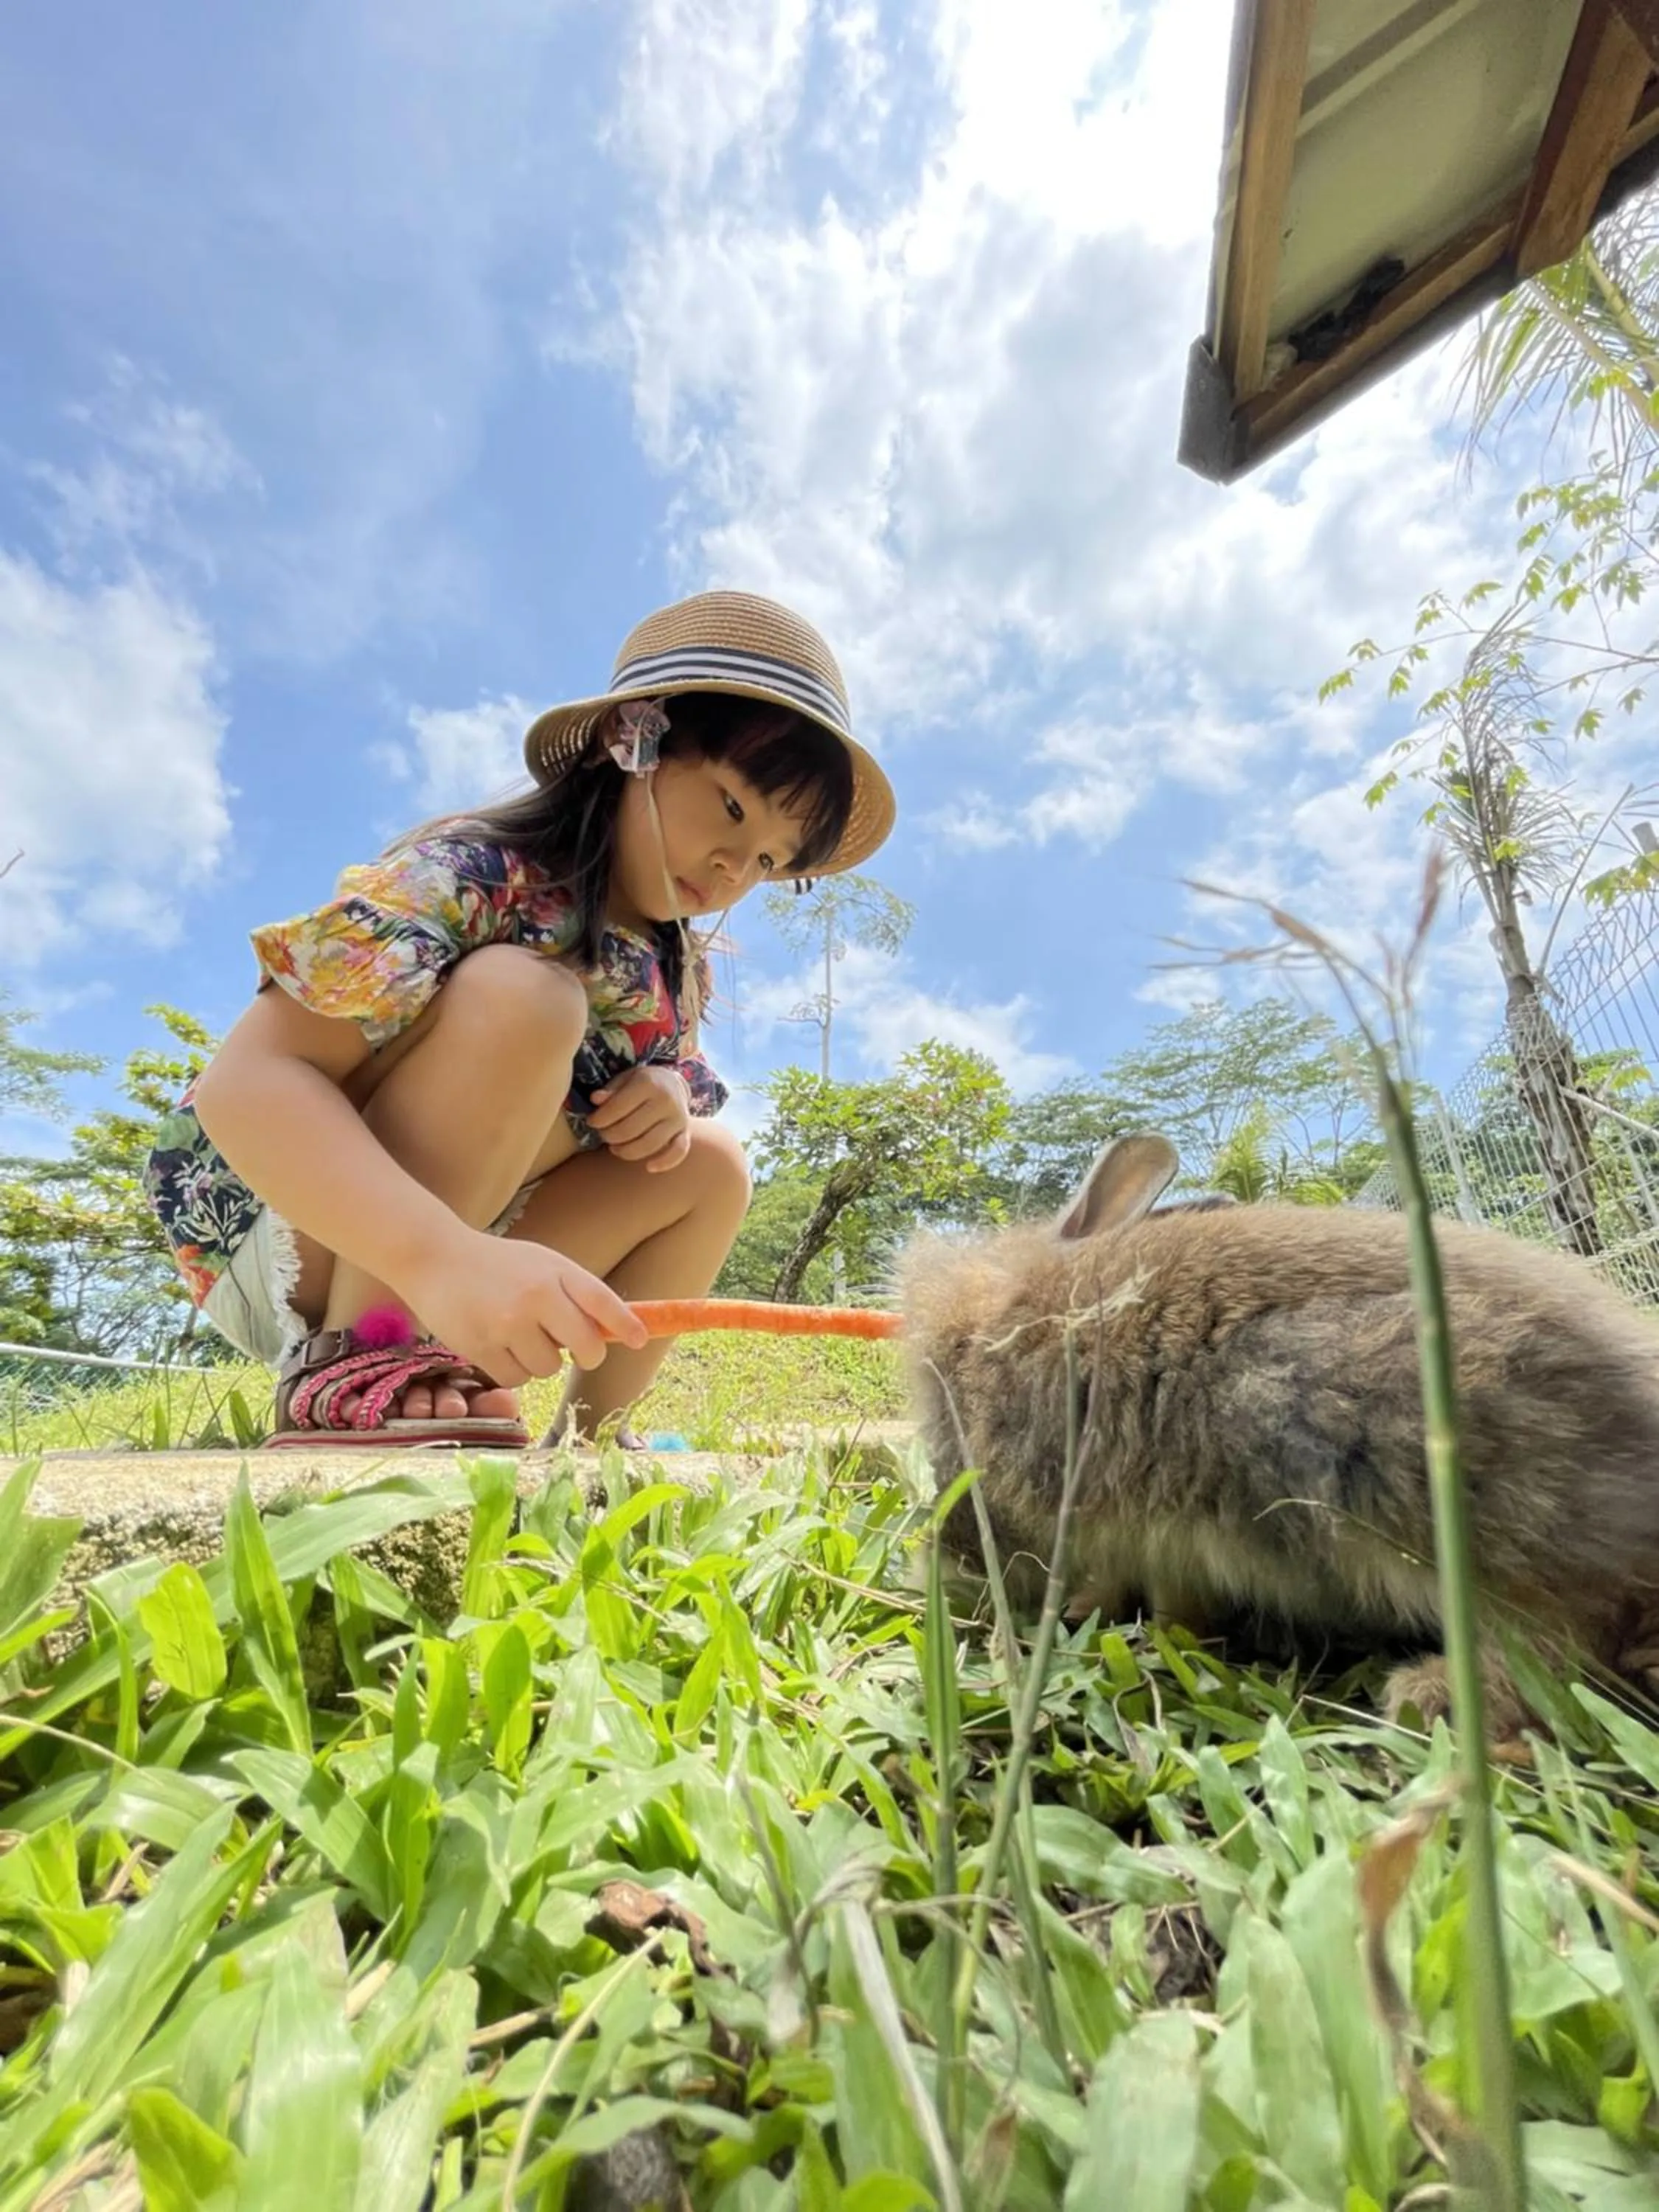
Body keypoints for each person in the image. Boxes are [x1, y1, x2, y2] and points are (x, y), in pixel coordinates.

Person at [142, 590, 897, 1449]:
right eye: (730, 807)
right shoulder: (475, 872)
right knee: (529, 997)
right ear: (634, 741)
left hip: (465, 1259)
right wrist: (439, 1259)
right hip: (295, 1218)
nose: (734, 867)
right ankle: (352, 1356)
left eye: (769, 859)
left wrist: (663, 1096)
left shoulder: (662, 974)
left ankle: (588, 1439)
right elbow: (248, 1084)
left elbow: (652, 1111)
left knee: (710, 1163)